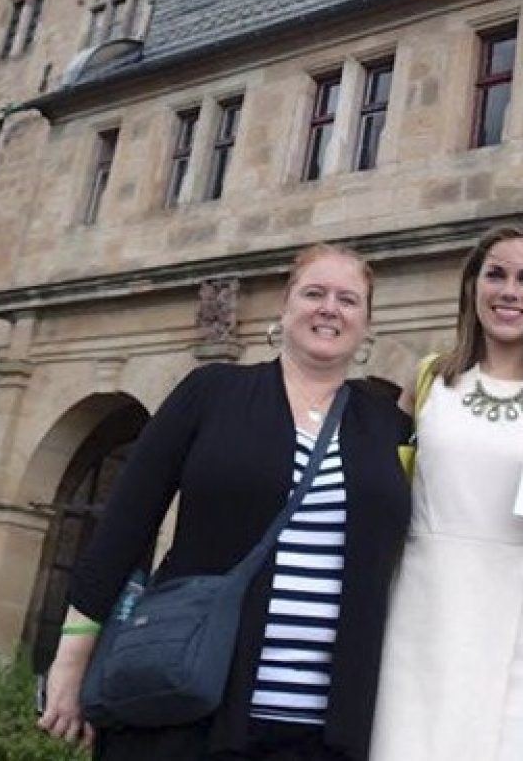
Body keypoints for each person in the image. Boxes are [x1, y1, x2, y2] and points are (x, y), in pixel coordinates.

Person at [39, 244, 412, 761]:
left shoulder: (388, 425)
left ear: (367, 322)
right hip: (193, 702)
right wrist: (71, 660)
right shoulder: (212, 392)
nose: (330, 308)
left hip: (323, 728)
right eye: (314, 293)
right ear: (285, 306)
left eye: (348, 299)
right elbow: (125, 524)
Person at [370, 223, 523, 761]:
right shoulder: (427, 380)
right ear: (472, 285)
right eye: (495, 275)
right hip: (423, 609)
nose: (509, 292)